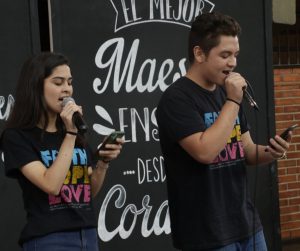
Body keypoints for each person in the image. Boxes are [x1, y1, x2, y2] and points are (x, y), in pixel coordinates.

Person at [156, 12, 291, 251]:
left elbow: (247, 151)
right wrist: (232, 102)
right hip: (206, 234)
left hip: (246, 223)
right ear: (199, 54)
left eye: (235, 55)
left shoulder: (226, 95)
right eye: (225, 55)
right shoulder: (176, 99)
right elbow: (205, 151)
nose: (233, 63)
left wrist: (272, 151)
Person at [0, 51, 124, 251]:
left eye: (69, 82)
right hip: (50, 239)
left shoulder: (72, 131)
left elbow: (86, 193)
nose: (67, 89)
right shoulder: (17, 137)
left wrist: (102, 163)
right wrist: (71, 133)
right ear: (36, 86)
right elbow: (51, 184)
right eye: (58, 83)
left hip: (88, 236)